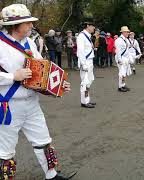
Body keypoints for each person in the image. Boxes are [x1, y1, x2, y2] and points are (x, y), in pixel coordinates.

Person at [0, 4, 76, 179]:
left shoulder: (29, 42)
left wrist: (58, 83)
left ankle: (51, 175)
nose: (32, 26)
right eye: (27, 23)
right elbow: (13, 76)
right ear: (14, 25)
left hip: (32, 103)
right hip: (8, 106)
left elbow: (42, 67)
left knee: (43, 141)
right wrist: (12, 76)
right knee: (5, 152)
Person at [77, 21, 96, 108]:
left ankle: (87, 99)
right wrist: (83, 64)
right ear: (88, 26)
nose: (94, 28)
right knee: (85, 82)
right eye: (93, 26)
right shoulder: (81, 36)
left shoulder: (88, 36)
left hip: (90, 61)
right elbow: (80, 51)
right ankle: (84, 101)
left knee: (90, 80)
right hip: (85, 61)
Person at [114, 26, 131, 92]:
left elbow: (127, 49)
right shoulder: (119, 40)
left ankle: (123, 85)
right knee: (122, 73)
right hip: (121, 57)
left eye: (128, 32)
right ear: (123, 32)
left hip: (125, 58)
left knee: (124, 72)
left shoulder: (126, 39)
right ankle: (120, 87)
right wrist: (119, 60)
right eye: (126, 32)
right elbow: (118, 51)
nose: (128, 33)